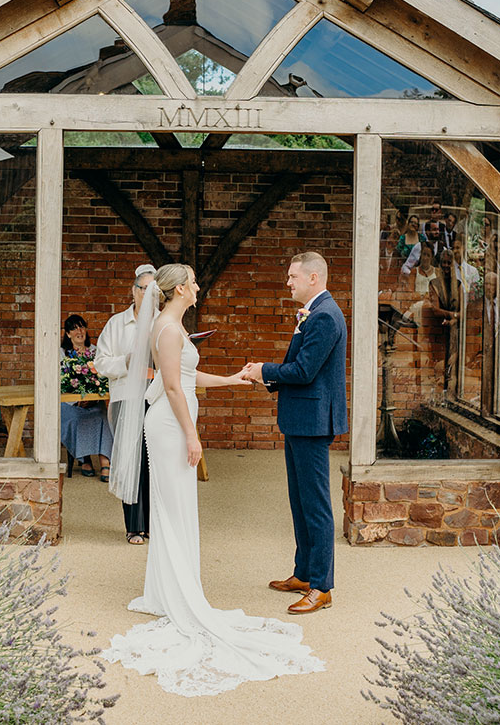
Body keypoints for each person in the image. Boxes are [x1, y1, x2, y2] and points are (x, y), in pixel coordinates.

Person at [103, 264, 325, 696]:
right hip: (169, 428)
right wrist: (192, 435)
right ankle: (177, 597)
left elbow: (188, 377)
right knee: (173, 508)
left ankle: (170, 591)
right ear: (181, 288)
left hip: (174, 422)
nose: (199, 286)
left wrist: (232, 380)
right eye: (194, 280)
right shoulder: (167, 329)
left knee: (179, 508)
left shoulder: (173, 326)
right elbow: (170, 387)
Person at [240, 251, 347, 616]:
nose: (288, 283)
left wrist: (263, 371)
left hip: (314, 422)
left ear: (313, 278)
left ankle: (322, 587)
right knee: (300, 501)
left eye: (292, 277)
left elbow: (303, 371)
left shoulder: (325, 317)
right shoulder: (314, 313)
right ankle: (303, 573)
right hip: (302, 419)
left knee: (316, 506)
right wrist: (266, 373)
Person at [94, 265, 156, 544]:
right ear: (133, 291)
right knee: (130, 460)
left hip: (154, 398)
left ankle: (153, 524)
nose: (149, 294)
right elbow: (100, 363)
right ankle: (134, 527)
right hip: (123, 399)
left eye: (155, 290)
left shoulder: (161, 321)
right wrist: (126, 362)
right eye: (144, 289)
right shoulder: (116, 324)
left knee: (152, 461)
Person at [60, 314, 113, 481]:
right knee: (76, 418)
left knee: (102, 416)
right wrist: (77, 400)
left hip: (92, 400)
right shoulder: (62, 354)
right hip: (69, 404)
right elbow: (60, 382)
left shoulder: (95, 352)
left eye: (82, 327)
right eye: (74, 328)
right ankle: (85, 459)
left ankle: (105, 461)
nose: (79, 331)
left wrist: (91, 397)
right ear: (68, 334)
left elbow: (103, 378)